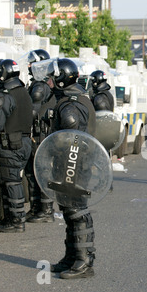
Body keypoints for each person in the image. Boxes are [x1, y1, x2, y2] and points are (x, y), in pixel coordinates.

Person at [45, 58, 97, 279]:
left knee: (77, 212)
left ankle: (84, 261)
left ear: (61, 78)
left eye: (52, 77)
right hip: (73, 164)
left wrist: (57, 150)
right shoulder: (77, 98)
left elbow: (71, 136)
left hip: (73, 164)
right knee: (69, 211)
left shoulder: (70, 105)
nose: (48, 81)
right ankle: (71, 256)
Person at [0, 59, 33, 233]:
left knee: (11, 182)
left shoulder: (6, 95)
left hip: (10, 146)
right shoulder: (24, 92)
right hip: (24, 143)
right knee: (14, 180)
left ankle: (16, 220)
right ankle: (12, 217)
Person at [24, 49, 56, 223]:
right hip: (39, 134)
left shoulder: (39, 86)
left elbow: (32, 113)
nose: (28, 66)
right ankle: (36, 208)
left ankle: (46, 210)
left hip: (41, 135)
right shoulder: (42, 84)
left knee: (42, 172)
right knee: (32, 172)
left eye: (31, 63)